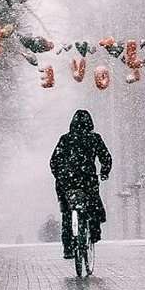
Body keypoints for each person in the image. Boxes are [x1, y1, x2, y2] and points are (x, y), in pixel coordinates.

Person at [50, 110, 112, 259]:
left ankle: (68, 248)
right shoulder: (94, 138)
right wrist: (104, 172)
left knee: (66, 213)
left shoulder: (65, 139)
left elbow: (54, 161)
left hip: (67, 182)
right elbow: (105, 157)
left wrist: (59, 176)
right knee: (94, 206)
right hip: (87, 180)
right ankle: (94, 233)